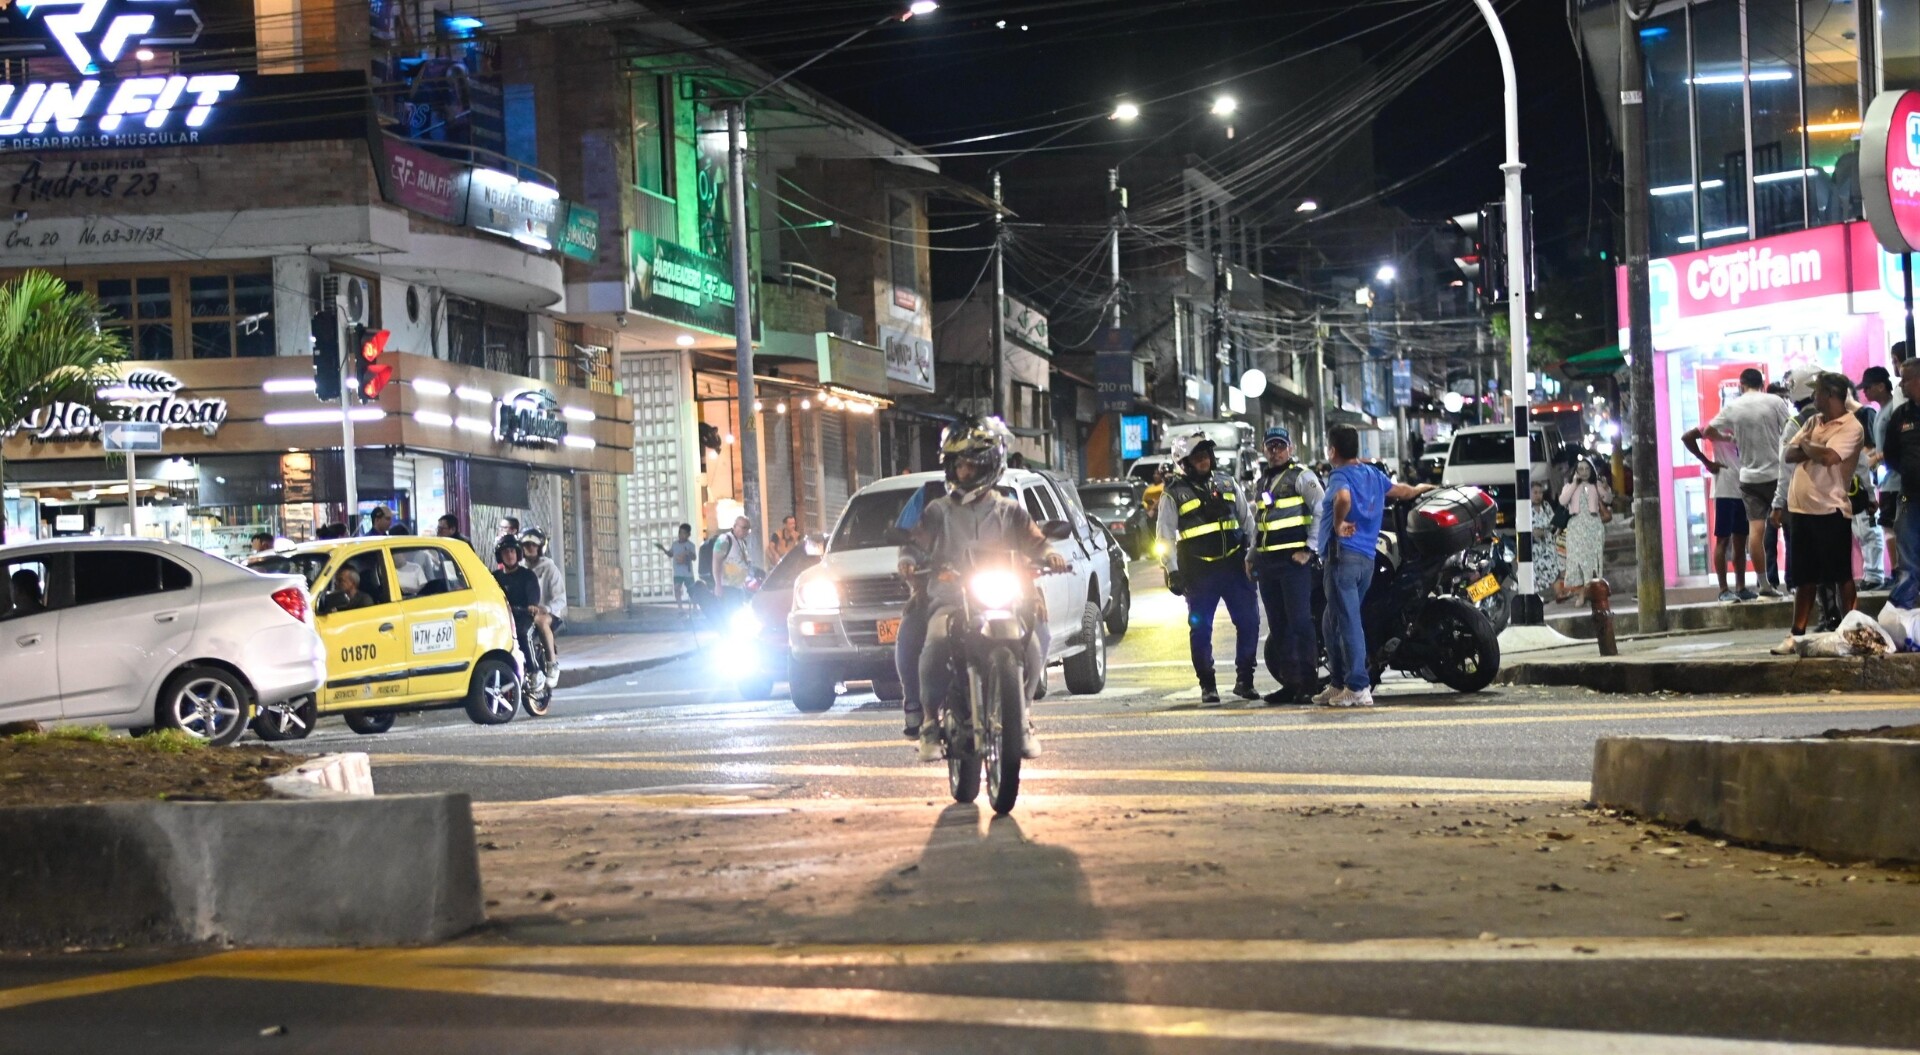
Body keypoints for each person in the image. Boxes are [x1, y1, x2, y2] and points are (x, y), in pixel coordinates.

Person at [898, 415, 1065, 763]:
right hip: (951, 599)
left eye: (972, 465)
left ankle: (1022, 717)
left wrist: (1051, 555)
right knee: (936, 640)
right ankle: (929, 722)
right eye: (959, 465)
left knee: (1035, 642)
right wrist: (909, 558)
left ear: (990, 466)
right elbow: (915, 542)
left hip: (1006, 597)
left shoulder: (1010, 511)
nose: (965, 472)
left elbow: (1036, 542)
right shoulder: (937, 510)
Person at [1317, 424, 1433, 708]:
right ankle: (1337, 683)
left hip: (1342, 557)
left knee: (1347, 621)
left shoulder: (1340, 475)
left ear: (1332, 451)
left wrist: (1338, 522)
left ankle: (1357, 686)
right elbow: (1401, 491)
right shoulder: (1372, 474)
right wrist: (1420, 488)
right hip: (1366, 558)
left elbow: (1343, 498)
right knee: (1330, 622)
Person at [1157, 429, 1260, 705]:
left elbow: (1247, 521)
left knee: (1249, 622)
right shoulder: (1172, 495)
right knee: (1200, 629)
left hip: (1235, 566)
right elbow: (1164, 537)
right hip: (1199, 573)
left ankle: (1245, 681)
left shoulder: (1227, 484)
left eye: (1206, 455)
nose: (1205, 460)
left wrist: (1253, 555)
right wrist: (1173, 570)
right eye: (1198, 456)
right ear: (1185, 462)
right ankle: (1208, 685)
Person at [1770, 372, 1866, 654]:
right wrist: (1814, 447)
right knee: (1804, 576)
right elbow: (1789, 454)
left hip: (1830, 509)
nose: (1813, 398)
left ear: (1832, 396)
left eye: (1818, 392)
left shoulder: (1851, 427)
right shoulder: (1812, 421)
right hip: (1801, 509)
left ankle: (1850, 630)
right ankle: (1796, 635)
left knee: (1840, 574)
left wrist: (1809, 447)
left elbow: (1829, 458)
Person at [1686, 368, 1791, 599]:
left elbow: (1709, 429)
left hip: (1748, 479)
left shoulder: (1732, 408)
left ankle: (1761, 584)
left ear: (1742, 386)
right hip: (1775, 475)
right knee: (1790, 529)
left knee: (1754, 532)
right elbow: (1790, 430)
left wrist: (1726, 437)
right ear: (1762, 384)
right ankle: (1795, 583)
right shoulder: (1774, 401)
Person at [1249, 426, 1324, 705]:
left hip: (1294, 564)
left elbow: (1322, 509)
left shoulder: (1302, 477)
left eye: (1280, 446)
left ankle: (1308, 683)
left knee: (1300, 623)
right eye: (1271, 446)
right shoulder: (1263, 482)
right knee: (1279, 627)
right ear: (1264, 449)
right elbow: (1261, 523)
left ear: (1290, 449)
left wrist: (1309, 549)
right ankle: (1290, 684)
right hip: (1269, 565)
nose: (1275, 451)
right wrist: (1251, 555)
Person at [1881, 360, 1920, 610]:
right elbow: (1891, 454)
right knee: (1907, 550)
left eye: (1905, 379)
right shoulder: (1901, 415)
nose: (1900, 384)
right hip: (1909, 494)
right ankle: (1905, 609)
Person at [1859, 365, 1898, 591]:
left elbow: (1897, 445)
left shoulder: (1893, 409)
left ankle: (1897, 572)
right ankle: (1897, 571)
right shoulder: (1881, 411)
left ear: (1881, 386)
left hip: (1895, 481)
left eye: (1868, 387)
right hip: (1886, 481)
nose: (1865, 392)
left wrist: (1876, 458)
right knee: (1889, 526)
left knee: (1891, 527)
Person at [1559, 458, 1614, 607]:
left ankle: (1591, 592)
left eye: (1586, 469)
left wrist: (1606, 487)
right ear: (1576, 471)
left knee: (1591, 561)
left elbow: (1608, 499)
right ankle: (1581, 593)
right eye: (1580, 469)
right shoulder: (1569, 486)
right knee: (1576, 561)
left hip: (1593, 526)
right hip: (1576, 526)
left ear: (1591, 471)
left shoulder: (1595, 485)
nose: (1583, 472)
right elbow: (1563, 501)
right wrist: (1574, 484)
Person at [1706, 432, 1753, 603]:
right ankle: (1723, 589)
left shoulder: (1743, 427)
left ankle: (1741, 587)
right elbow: (1689, 437)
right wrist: (1707, 462)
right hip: (1725, 491)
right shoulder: (1717, 426)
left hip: (1742, 490)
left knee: (1741, 540)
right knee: (1723, 540)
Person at [520, 529, 566, 677]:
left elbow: (561, 599)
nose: (530, 548)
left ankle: (552, 663)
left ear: (540, 547)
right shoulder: (520, 568)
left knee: (540, 620)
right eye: (526, 544)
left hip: (548, 614)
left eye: (533, 545)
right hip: (524, 613)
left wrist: (545, 608)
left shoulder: (550, 568)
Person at [493, 538, 542, 663]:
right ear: (500, 556)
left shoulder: (527, 575)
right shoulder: (494, 577)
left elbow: (533, 593)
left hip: (524, 616)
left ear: (518, 554)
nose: (509, 555)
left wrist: (532, 605)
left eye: (512, 551)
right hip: (503, 618)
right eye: (505, 552)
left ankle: (533, 670)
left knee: (523, 633)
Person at [1529, 480, 1566, 603]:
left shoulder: (1546, 506)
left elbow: (1552, 523)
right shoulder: (1525, 509)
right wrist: (1537, 532)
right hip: (1535, 548)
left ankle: (1559, 594)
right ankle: (1536, 599)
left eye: (1540, 493)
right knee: (1536, 573)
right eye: (1535, 492)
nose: (1538, 495)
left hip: (1549, 545)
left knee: (1554, 570)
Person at [712, 516, 755, 608]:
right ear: (735, 526)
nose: (746, 531)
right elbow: (716, 561)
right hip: (727, 588)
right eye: (743, 528)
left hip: (739, 588)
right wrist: (718, 585)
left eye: (748, 529)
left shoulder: (742, 542)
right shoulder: (725, 539)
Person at [660, 523, 698, 615]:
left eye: (684, 533)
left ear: (688, 535)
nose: (681, 535)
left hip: (688, 573)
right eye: (680, 533)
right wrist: (665, 550)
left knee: (692, 590)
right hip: (678, 573)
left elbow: (694, 558)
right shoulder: (675, 544)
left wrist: (688, 553)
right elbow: (671, 554)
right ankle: (680, 608)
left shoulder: (691, 545)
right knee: (677, 589)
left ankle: (695, 607)